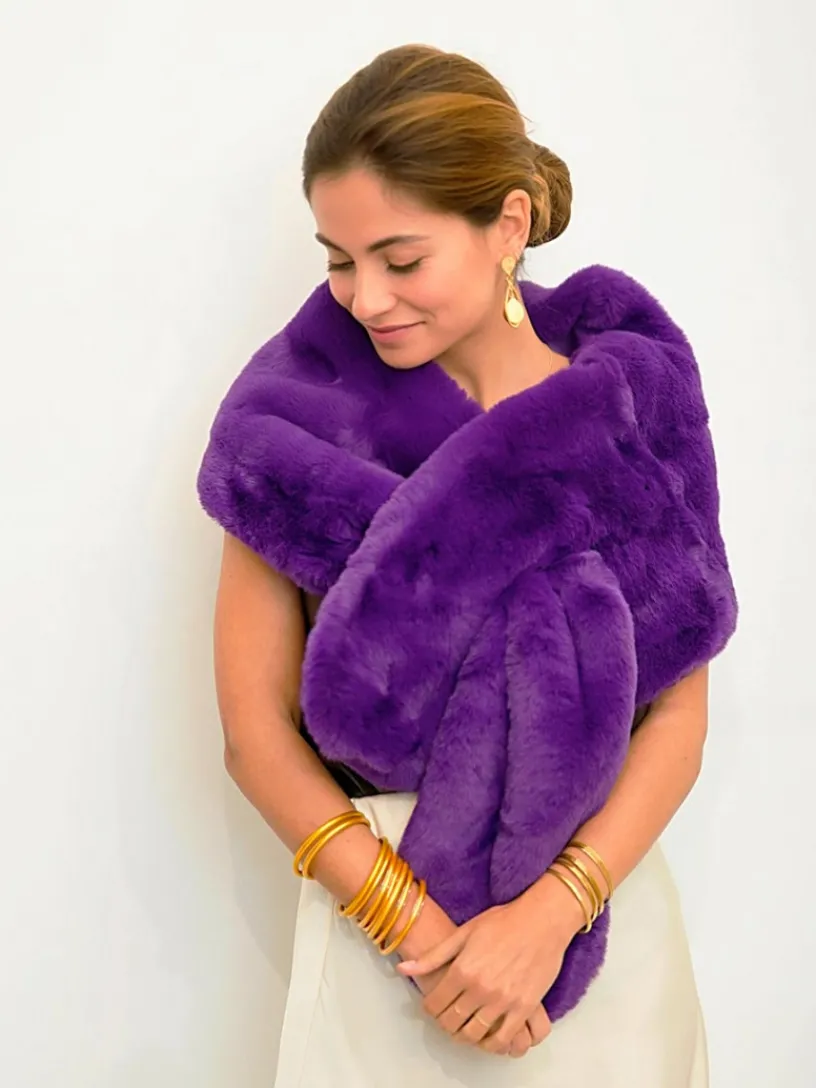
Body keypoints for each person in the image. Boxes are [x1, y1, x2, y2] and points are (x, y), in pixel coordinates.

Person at [197, 43, 737, 1087]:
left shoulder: (632, 398)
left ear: (509, 225)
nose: (365, 298)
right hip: (384, 927)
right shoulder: (288, 427)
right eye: (338, 261)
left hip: (603, 917)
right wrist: (429, 941)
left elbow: (679, 710)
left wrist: (551, 914)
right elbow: (254, 732)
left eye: (400, 260)